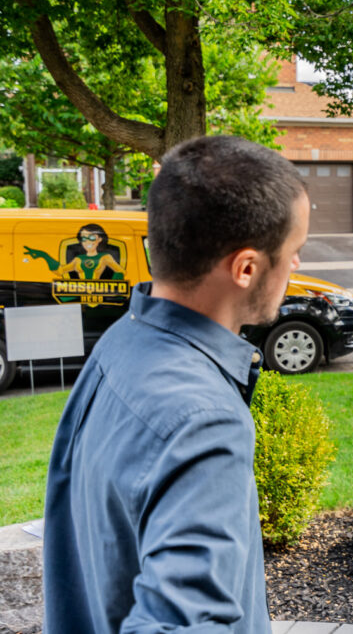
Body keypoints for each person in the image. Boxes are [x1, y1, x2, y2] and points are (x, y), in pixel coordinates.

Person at [43, 135, 309, 633]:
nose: (296, 265)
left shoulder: (121, 343)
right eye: (295, 250)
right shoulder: (202, 421)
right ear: (247, 268)